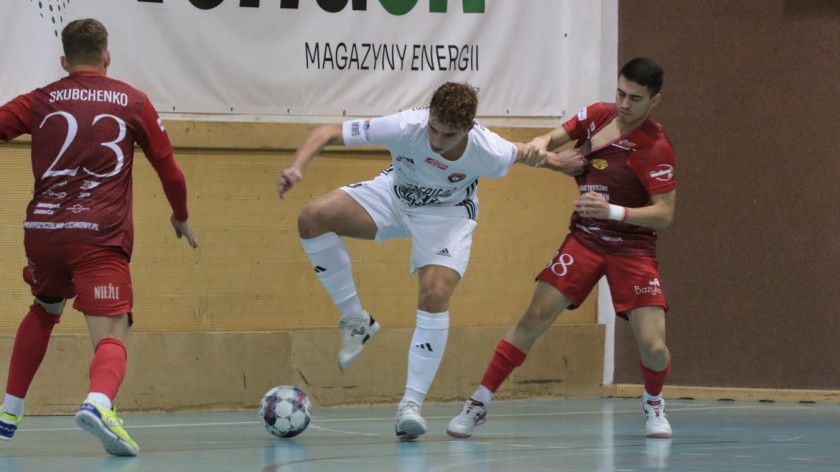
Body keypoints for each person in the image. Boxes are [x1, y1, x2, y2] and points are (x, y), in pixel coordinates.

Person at [277, 82, 584, 440]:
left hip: (447, 217)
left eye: (448, 134)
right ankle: (355, 320)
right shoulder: (406, 125)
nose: (436, 140)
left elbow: (522, 153)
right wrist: (297, 167)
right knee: (312, 218)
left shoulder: (489, 149)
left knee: (435, 292)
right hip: (395, 196)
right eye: (433, 128)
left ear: (468, 128)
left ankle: (410, 405)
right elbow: (328, 132)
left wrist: (561, 163)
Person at [447, 57, 677, 439]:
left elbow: (665, 214)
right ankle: (479, 401)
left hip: (632, 248)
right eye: (620, 93)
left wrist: (613, 211)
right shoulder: (596, 116)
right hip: (585, 238)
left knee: (653, 345)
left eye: (635, 98)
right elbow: (553, 138)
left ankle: (654, 402)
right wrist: (539, 144)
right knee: (535, 316)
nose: (623, 104)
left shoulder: (656, 147)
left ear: (654, 101)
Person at [0, 18, 198, 456]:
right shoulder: (132, 100)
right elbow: (171, 171)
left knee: (46, 308)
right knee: (114, 326)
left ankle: (8, 412)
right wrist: (180, 216)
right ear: (107, 57)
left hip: (43, 234)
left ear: (65, 61)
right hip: (99, 236)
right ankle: (99, 403)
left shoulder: (41, 99)